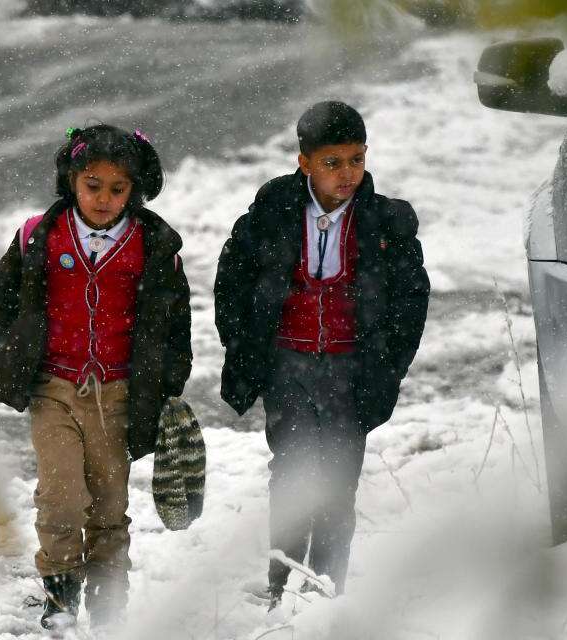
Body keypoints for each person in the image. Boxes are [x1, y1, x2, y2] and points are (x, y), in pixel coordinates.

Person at [213, 101, 429, 607]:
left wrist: (387, 367)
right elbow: (233, 280)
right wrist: (244, 348)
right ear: (304, 162)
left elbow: (410, 300)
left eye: (356, 159)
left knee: (337, 481)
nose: (347, 173)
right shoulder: (273, 212)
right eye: (332, 162)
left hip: (350, 373)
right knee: (289, 474)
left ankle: (325, 589)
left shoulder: (384, 222)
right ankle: (280, 584)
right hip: (287, 367)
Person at [0, 124, 191, 630]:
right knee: (61, 500)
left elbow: (175, 324)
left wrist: (166, 387)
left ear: (134, 190)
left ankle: (109, 608)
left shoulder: (152, 245)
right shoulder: (39, 237)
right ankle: (60, 599)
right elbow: (0, 304)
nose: (104, 198)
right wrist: (11, 355)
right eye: (92, 184)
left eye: (118, 188)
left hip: (119, 395)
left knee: (108, 506)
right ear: (71, 181)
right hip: (54, 389)